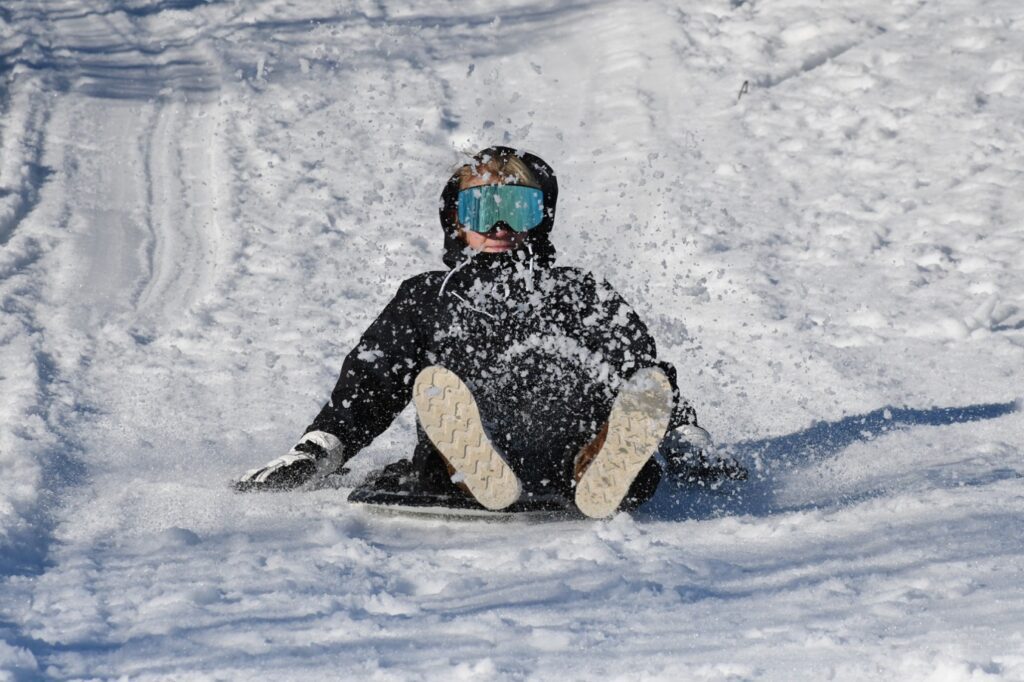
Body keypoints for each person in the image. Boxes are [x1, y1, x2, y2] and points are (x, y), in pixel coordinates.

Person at [236, 146, 743, 517]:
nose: (500, 225)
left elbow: (642, 379)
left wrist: (681, 435)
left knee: (609, 426)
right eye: (482, 210)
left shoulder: (578, 291)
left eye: (517, 208)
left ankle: (599, 470)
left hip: (573, 443)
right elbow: (373, 381)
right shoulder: (430, 295)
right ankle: (469, 468)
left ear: (540, 217)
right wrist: (321, 448)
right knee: (446, 418)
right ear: (455, 222)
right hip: (471, 442)